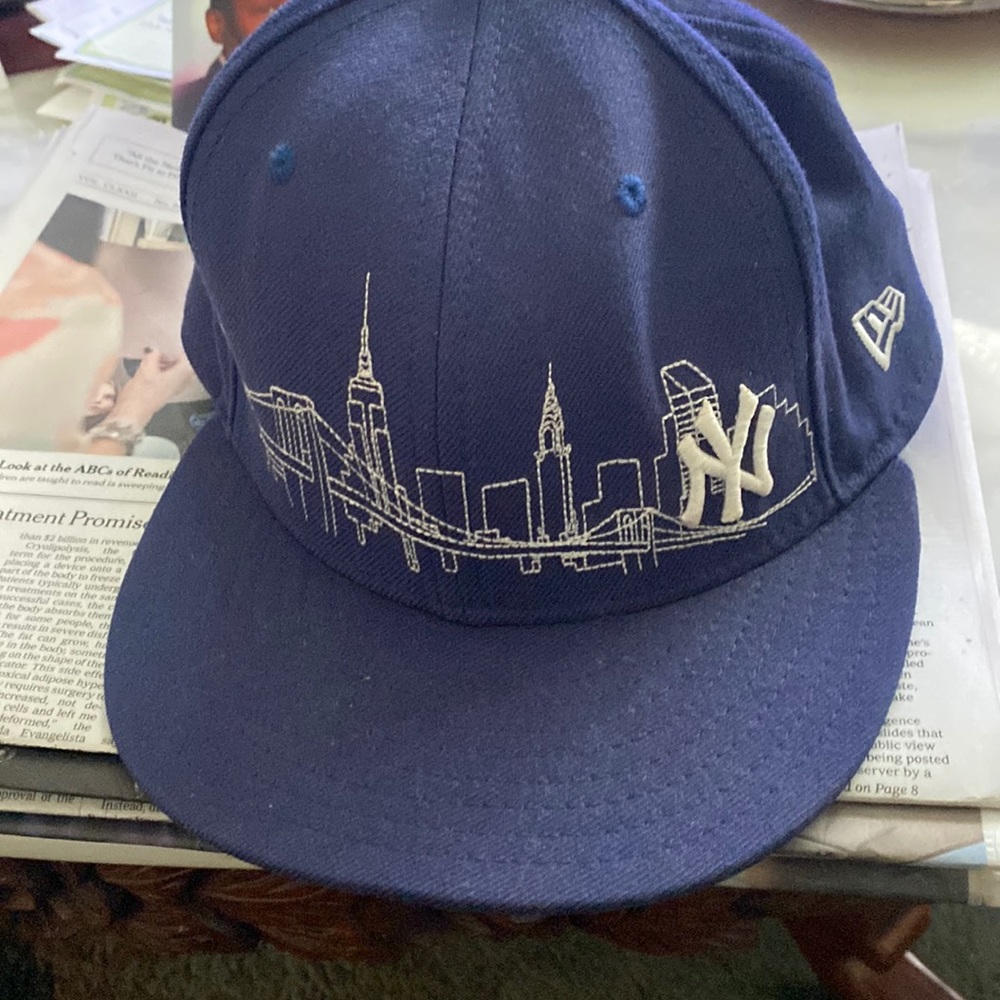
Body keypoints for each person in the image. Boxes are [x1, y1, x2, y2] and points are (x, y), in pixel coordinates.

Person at [173, 0, 288, 130]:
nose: (285, 22)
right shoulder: (189, 103)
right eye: (261, 11)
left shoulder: (295, 93)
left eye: (287, 9)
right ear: (216, 24)